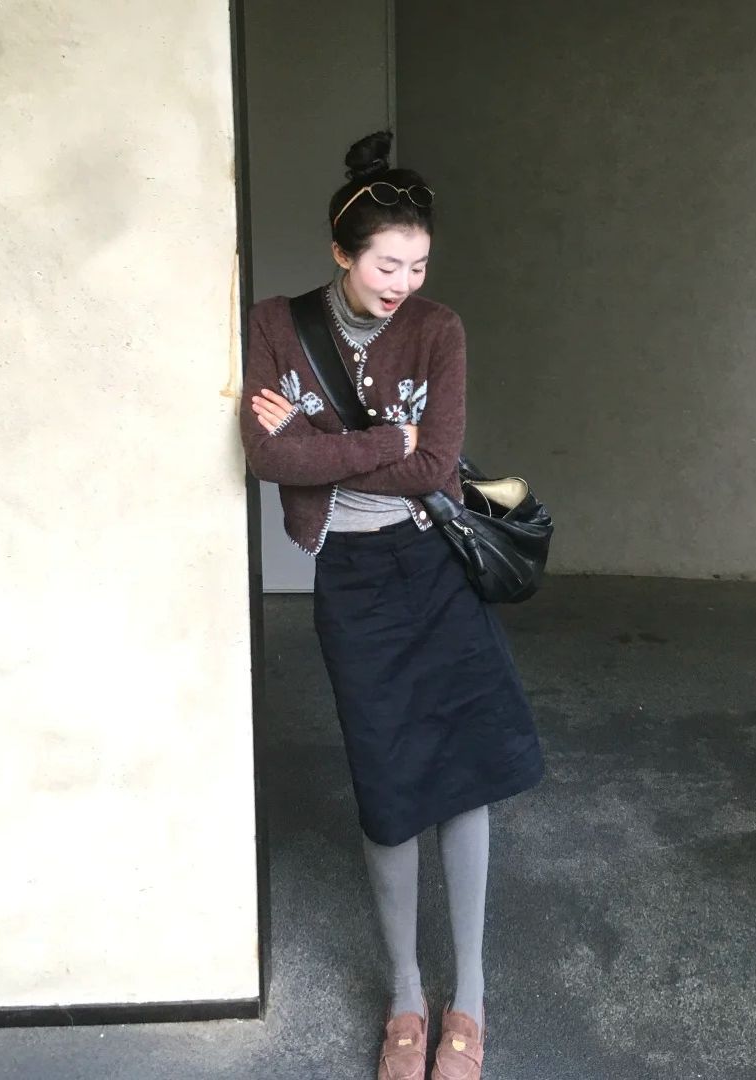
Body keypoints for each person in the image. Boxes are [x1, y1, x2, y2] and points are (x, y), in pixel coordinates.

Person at [239, 130, 544, 1080]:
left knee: (466, 775)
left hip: (434, 567)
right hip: (353, 578)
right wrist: (382, 440)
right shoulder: (277, 325)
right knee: (387, 787)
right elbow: (265, 456)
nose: (403, 284)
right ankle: (406, 996)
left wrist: (322, 440)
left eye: (417, 265)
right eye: (385, 265)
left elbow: (435, 467)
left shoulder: (438, 329)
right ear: (341, 251)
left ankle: (470, 999)